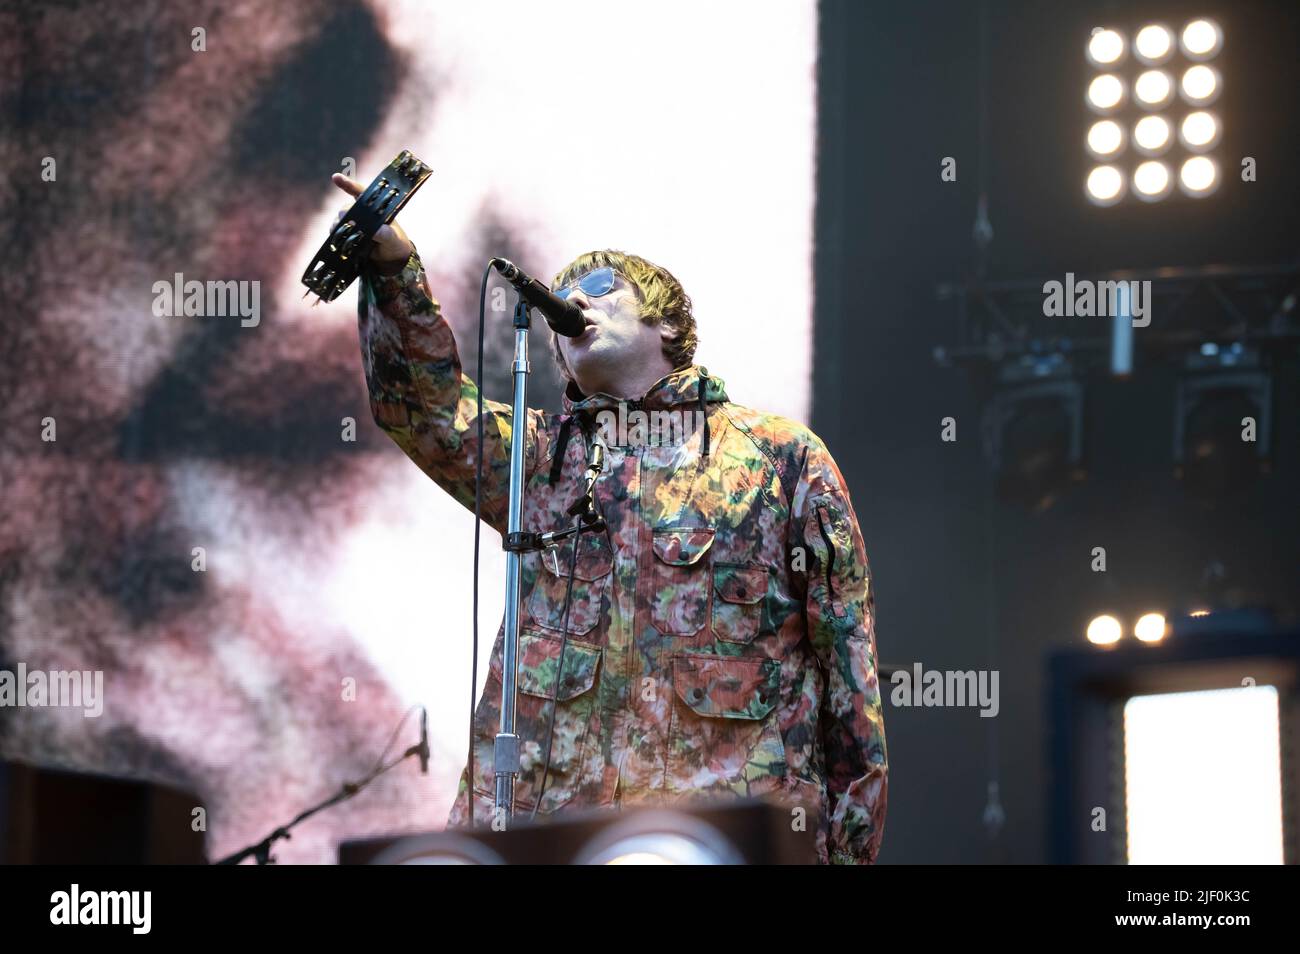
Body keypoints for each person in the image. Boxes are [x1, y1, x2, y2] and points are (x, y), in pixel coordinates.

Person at [333, 172, 888, 864]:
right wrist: (392, 272)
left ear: (668, 323)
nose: (572, 304)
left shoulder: (780, 458)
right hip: (555, 833)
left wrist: (847, 852)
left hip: (718, 839)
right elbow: (427, 408)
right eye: (563, 298)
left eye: (600, 290)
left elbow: (850, 674)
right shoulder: (542, 459)